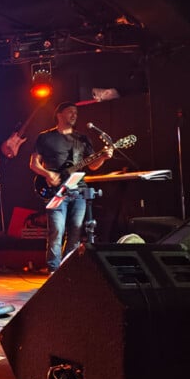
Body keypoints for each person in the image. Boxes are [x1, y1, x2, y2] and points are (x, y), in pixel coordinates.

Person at [29, 101, 112, 273]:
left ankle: (67, 269)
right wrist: (48, 174)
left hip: (78, 190)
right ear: (59, 114)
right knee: (57, 230)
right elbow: (33, 164)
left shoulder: (82, 139)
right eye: (70, 112)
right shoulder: (45, 137)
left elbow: (92, 165)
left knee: (75, 231)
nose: (74, 115)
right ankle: (53, 270)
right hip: (56, 191)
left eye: (76, 112)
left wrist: (103, 157)